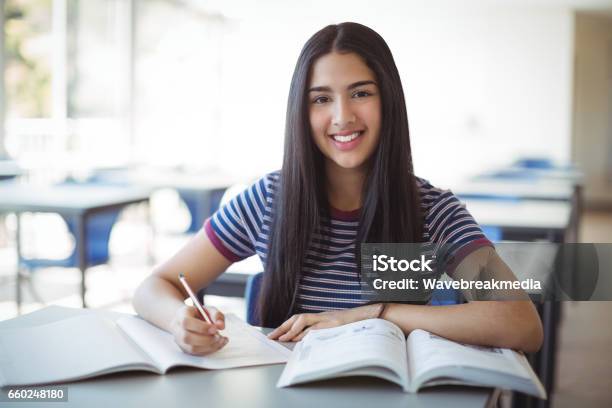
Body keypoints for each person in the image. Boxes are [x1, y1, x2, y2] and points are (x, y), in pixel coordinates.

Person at [133, 22, 543, 356]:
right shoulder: (269, 200)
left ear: (389, 102)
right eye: (321, 99)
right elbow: (156, 286)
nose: (342, 116)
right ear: (301, 110)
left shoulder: (431, 211)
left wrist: (378, 313)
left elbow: (520, 323)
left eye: (361, 93)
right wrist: (177, 322)